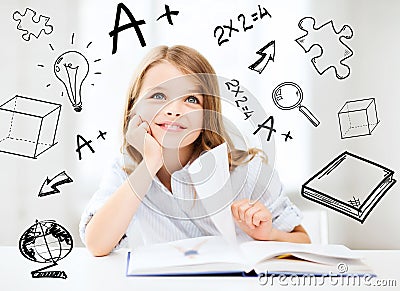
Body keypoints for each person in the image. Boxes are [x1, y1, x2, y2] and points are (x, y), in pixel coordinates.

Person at [80, 45, 310, 257]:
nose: (173, 110)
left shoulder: (246, 172)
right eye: (158, 96)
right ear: (133, 108)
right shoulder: (126, 170)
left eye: (191, 99)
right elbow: (97, 244)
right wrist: (150, 162)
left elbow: (304, 243)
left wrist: (268, 235)